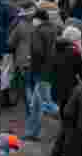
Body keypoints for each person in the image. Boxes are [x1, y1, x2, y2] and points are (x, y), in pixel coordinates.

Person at [48, 26, 82, 156]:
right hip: (72, 92)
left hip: (58, 93)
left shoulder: (53, 52)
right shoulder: (74, 53)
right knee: (70, 127)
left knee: (65, 124)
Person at [24, 9, 61, 141]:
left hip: (39, 71)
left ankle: (66, 117)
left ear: (38, 19)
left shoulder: (37, 32)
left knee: (42, 103)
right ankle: (31, 132)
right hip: (50, 69)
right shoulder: (54, 29)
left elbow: (37, 52)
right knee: (39, 102)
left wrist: (32, 63)